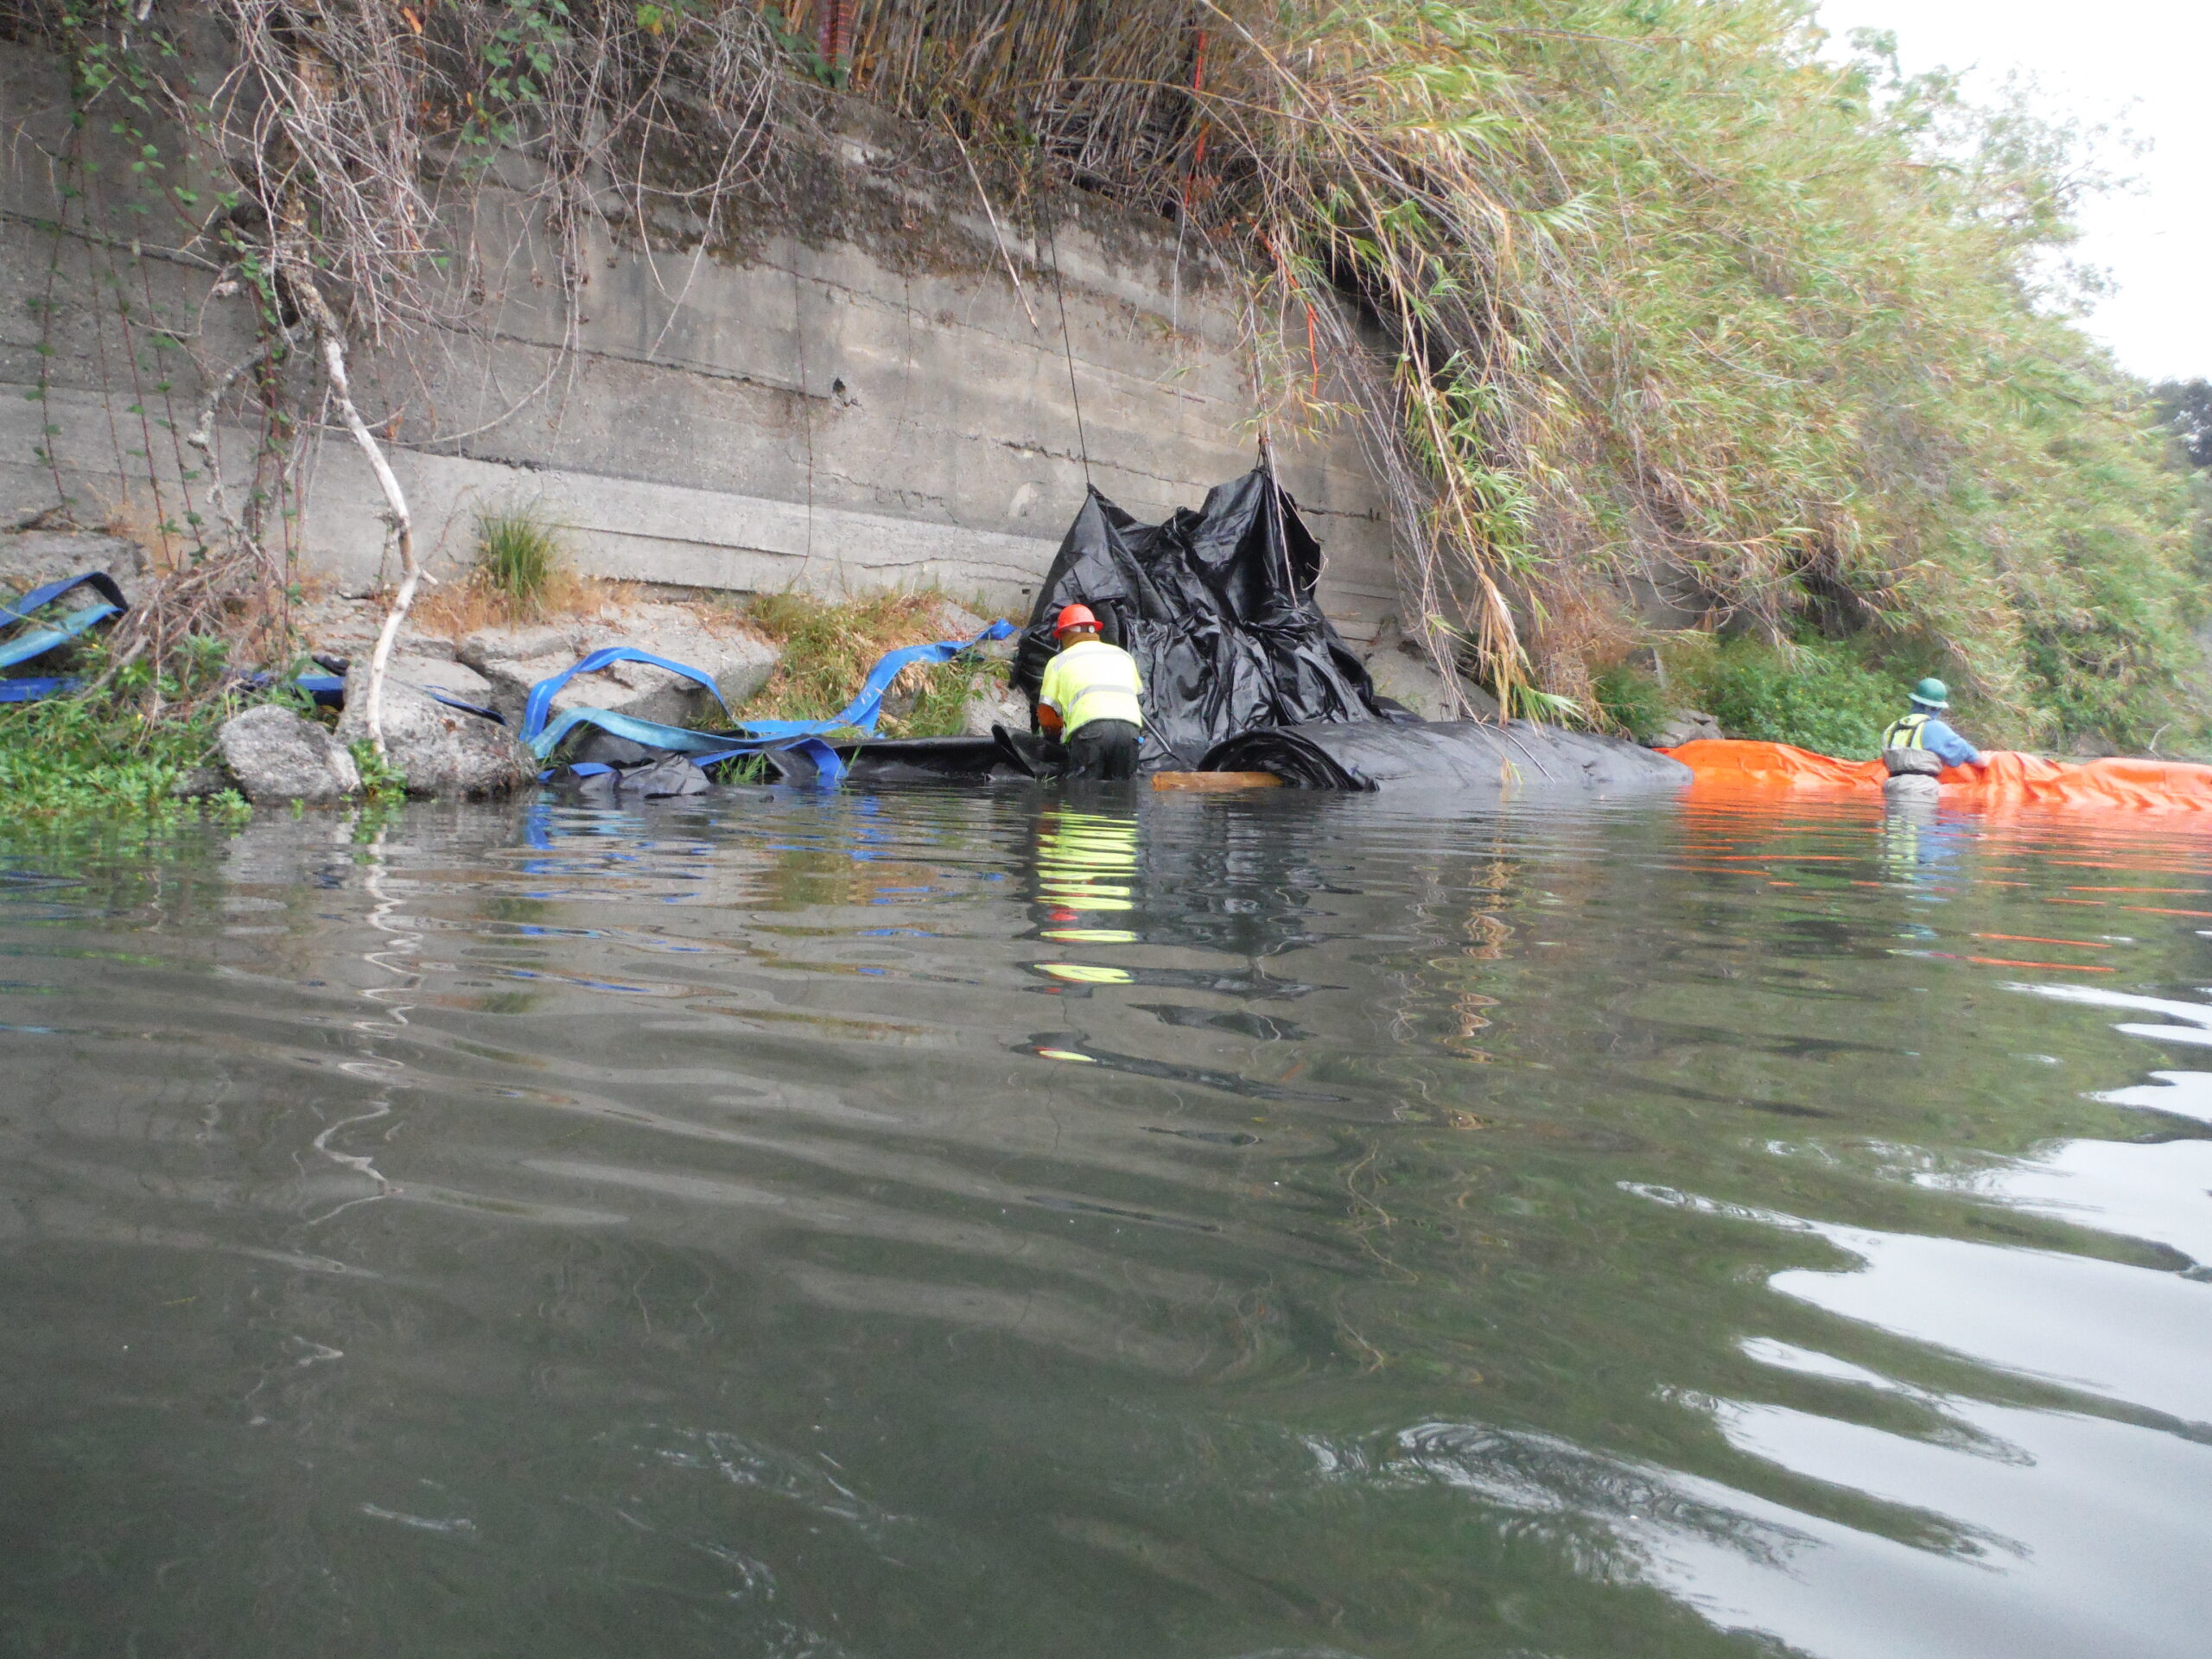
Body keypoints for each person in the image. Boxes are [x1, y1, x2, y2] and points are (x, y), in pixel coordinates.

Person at [1036, 603, 1145, 782]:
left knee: (1084, 795)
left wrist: (1052, 739)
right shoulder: (1123, 656)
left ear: (1066, 634)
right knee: (1122, 796)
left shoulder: (1059, 662)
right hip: (1130, 732)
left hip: (1091, 732)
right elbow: (1139, 697)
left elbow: (1047, 712)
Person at [1880, 677, 1980, 804]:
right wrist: (1986, 762)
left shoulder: (1892, 728)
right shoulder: (1933, 728)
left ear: (1914, 702)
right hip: (1921, 790)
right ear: (1935, 708)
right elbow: (1967, 753)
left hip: (1891, 787)